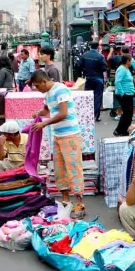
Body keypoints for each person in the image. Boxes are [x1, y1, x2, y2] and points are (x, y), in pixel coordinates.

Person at [31, 70, 85, 219]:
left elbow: (63, 113)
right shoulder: (47, 94)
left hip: (70, 136)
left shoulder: (60, 89)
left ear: (43, 81)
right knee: (60, 170)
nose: (37, 89)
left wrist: (45, 123)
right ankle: (66, 200)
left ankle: (79, 202)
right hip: (58, 136)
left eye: (37, 86)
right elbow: (46, 110)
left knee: (74, 169)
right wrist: (38, 114)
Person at [78, 41, 107, 122]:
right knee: (98, 97)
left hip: (89, 78)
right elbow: (104, 68)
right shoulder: (100, 56)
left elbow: (79, 65)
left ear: (90, 46)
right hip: (98, 79)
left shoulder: (85, 55)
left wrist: (85, 71)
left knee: (88, 96)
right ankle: (96, 115)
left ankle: (88, 114)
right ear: (97, 47)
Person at [113, 54, 135, 136]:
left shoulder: (127, 69)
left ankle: (124, 130)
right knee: (126, 114)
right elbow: (117, 81)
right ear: (127, 61)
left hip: (129, 94)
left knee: (128, 114)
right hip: (124, 95)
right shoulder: (122, 69)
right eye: (131, 60)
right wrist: (122, 93)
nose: (132, 61)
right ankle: (119, 131)